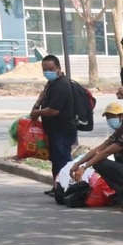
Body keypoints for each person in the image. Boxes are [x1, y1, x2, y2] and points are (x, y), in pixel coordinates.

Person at [29, 55, 78, 192]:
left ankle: (65, 187)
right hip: (53, 129)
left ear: (58, 69)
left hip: (63, 129)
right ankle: (57, 186)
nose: (48, 72)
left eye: (51, 69)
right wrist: (37, 104)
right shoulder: (52, 83)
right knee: (56, 160)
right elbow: (44, 93)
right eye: (45, 69)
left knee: (62, 160)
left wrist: (38, 113)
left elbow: (54, 111)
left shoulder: (61, 85)